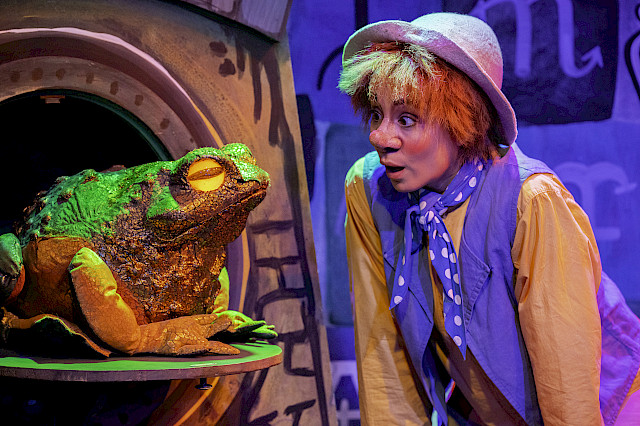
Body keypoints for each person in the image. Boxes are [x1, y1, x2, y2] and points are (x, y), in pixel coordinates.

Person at [339, 12, 640, 425]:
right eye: (377, 114)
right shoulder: (370, 189)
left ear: (463, 121)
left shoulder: (531, 201)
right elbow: (383, 364)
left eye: (407, 119)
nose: (379, 136)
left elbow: (567, 391)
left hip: (610, 407)